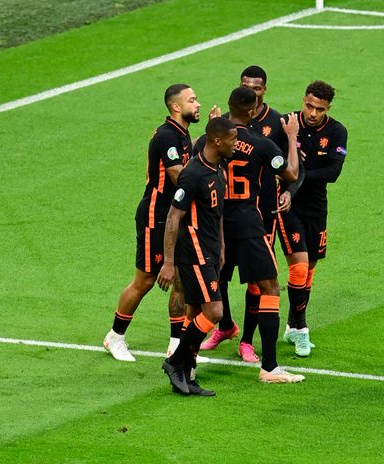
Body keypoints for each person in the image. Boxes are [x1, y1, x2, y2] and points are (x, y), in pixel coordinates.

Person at [200, 66, 304, 364]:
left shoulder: (214, 138)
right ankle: (267, 363)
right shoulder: (262, 142)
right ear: (250, 109)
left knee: (211, 281)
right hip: (248, 222)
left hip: (215, 222)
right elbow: (293, 172)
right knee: (266, 285)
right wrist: (293, 139)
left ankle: (188, 352)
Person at [103, 84, 200, 362]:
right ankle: (115, 337)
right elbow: (176, 175)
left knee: (182, 280)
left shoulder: (182, 133)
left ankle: (176, 345)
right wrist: (205, 182)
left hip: (176, 217)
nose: (198, 104)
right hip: (155, 218)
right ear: (176, 107)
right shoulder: (167, 135)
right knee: (145, 281)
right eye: (192, 100)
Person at [157, 116, 234, 396]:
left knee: (193, 312)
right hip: (195, 251)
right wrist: (167, 262)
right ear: (217, 141)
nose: (236, 144)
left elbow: (218, 212)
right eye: (232, 139)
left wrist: (222, 246)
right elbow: (173, 217)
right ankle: (175, 362)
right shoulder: (192, 174)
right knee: (214, 311)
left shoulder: (218, 167)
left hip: (212, 250)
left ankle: (187, 376)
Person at [278, 80, 347, 357]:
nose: (313, 113)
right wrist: (291, 174)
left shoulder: (337, 131)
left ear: (328, 108)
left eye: (319, 108)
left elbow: (333, 172)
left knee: (309, 272)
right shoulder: (287, 124)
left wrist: (299, 172)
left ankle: (292, 326)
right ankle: (303, 330)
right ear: (303, 100)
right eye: (309, 106)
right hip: (288, 205)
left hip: (317, 208)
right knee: (298, 267)